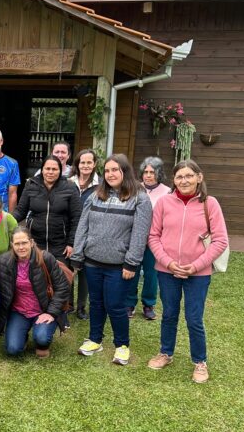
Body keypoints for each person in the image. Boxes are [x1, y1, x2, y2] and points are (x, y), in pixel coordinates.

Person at [147, 159, 228, 384]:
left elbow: (220, 241)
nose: (184, 180)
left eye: (189, 176)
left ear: (199, 177)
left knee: (194, 318)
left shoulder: (210, 204)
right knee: (169, 314)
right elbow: (153, 236)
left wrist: (196, 265)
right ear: (173, 180)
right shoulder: (164, 203)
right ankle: (166, 353)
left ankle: (199, 361)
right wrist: (168, 262)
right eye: (179, 176)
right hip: (167, 270)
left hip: (198, 274)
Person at [70, 154, 152, 366]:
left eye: (115, 169)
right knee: (96, 303)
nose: (111, 174)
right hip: (92, 262)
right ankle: (95, 340)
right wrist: (78, 255)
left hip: (119, 266)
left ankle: (122, 345)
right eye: (107, 171)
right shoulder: (96, 195)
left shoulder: (140, 198)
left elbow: (140, 233)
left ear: (125, 171)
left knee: (115, 305)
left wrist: (131, 262)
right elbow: (83, 226)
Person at [0, 227, 70, 358]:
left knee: (42, 338)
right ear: (12, 245)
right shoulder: (3, 262)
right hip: (19, 312)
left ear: (31, 242)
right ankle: (23, 336)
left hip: (43, 310)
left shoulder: (46, 258)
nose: (21, 247)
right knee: (13, 349)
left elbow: (62, 287)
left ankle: (42, 343)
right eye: (17, 244)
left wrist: (51, 313)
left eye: (24, 243)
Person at [12, 155, 80, 265]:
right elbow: (20, 211)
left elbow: (76, 217)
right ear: (42, 170)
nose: (50, 172)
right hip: (35, 243)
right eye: (47, 169)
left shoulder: (69, 187)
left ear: (60, 171)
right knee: (36, 279)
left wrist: (71, 243)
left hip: (60, 246)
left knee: (60, 279)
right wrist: (4, 220)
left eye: (54, 169)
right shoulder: (31, 185)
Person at [129, 156, 172, 320]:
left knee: (151, 273)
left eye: (152, 172)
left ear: (159, 173)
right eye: (145, 172)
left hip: (155, 240)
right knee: (131, 271)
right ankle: (129, 303)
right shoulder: (134, 188)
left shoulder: (167, 192)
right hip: (134, 238)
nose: (148, 175)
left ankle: (148, 304)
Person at [67, 149, 99, 320]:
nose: (85, 165)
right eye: (82, 162)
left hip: (90, 234)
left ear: (94, 164)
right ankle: (69, 304)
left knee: (85, 272)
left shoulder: (100, 186)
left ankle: (81, 307)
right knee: (70, 266)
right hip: (71, 232)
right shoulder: (68, 183)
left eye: (89, 162)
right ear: (77, 164)